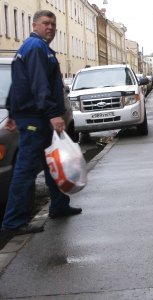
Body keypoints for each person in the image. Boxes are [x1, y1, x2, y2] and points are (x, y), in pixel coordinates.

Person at [1, 10, 82, 236]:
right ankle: (14, 223)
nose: (50, 28)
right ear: (35, 24)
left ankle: (58, 205)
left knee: (50, 163)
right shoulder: (37, 49)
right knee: (26, 170)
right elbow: (39, 85)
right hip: (36, 118)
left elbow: (18, 83)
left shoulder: (30, 48)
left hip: (31, 116)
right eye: (46, 23)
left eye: (53, 25)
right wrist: (53, 114)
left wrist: (11, 112)